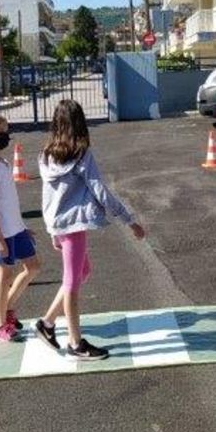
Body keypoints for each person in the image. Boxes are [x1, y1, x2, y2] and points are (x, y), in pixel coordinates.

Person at [35, 99, 145, 361]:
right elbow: (100, 191)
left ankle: (47, 323)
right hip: (74, 225)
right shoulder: (81, 153)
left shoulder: (46, 155)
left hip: (61, 224)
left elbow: (49, 197)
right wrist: (129, 220)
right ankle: (75, 343)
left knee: (83, 271)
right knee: (72, 282)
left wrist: (52, 230)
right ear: (80, 122)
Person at [0, 113, 41, 342]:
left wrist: (23, 226)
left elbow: (9, 201)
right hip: (1, 233)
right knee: (4, 276)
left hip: (16, 228)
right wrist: (0, 239)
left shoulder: (2, 162)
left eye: (6, 131)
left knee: (33, 267)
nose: (5, 136)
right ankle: (0, 325)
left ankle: (3, 309)